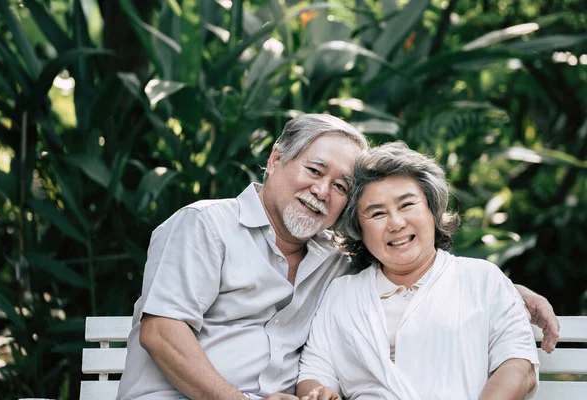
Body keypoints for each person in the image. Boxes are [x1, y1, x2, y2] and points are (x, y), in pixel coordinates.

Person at [117, 115, 558, 400]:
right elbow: (162, 332)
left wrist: (505, 289)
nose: (322, 192)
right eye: (313, 170)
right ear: (274, 160)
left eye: (342, 186)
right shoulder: (205, 225)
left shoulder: (330, 259)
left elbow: (415, 267)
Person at [297, 142, 540, 400]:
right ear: (359, 229)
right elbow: (316, 370)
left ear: (432, 209)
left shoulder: (483, 279)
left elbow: (518, 365)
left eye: (407, 205)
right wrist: (319, 393)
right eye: (377, 213)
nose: (397, 223)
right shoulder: (341, 294)